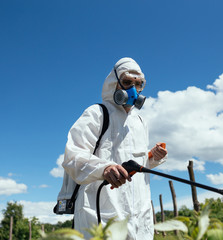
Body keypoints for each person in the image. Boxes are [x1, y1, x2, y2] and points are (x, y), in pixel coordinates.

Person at [62, 57, 168, 239]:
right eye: (127, 82)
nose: (133, 90)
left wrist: (153, 157)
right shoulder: (96, 113)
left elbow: (137, 164)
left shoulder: (141, 122)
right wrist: (105, 169)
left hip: (139, 215)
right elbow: (73, 157)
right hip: (100, 212)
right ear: (114, 84)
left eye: (138, 84)